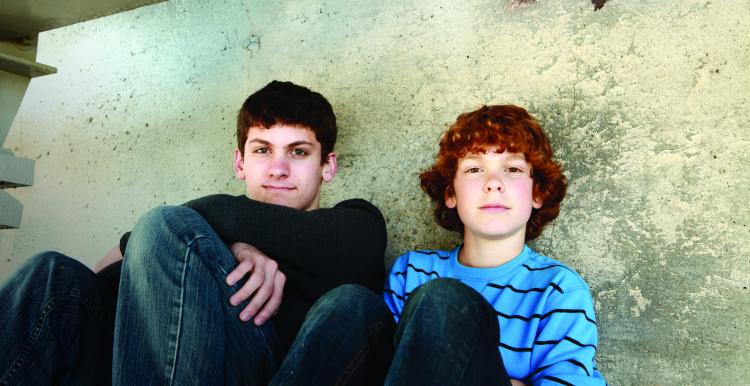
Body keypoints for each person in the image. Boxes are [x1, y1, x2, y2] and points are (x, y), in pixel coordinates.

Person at [0, 81, 387, 385]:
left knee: (164, 225)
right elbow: (106, 282)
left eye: (299, 152)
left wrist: (190, 236)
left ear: (328, 166)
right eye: (262, 150)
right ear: (240, 162)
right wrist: (227, 246)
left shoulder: (357, 224)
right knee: (53, 275)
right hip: (155, 364)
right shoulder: (189, 249)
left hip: (262, 370)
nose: (278, 169)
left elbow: (207, 218)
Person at [273, 104, 606, 385]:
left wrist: (471, 366)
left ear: (537, 193)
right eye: (475, 169)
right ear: (451, 193)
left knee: (444, 301)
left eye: (513, 169)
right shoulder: (413, 270)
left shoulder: (557, 290)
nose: (493, 184)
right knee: (350, 302)